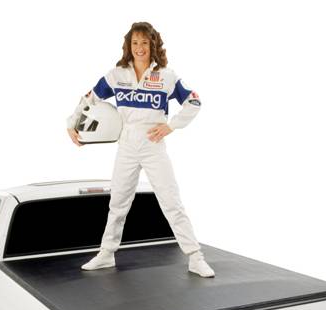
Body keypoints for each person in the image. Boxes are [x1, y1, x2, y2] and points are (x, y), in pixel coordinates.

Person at [66, 21, 215, 278]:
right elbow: (89, 98)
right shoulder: (116, 75)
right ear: (129, 46)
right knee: (118, 202)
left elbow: (194, 101)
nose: (139, 48)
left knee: (171, 202)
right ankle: (106, 253)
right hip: (126, 144)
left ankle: (195, 257)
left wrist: (171, 126)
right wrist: (71, 123)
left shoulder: (166, 76)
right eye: (135, 43)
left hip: (153, 145)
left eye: (144, 42)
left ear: (153, 44)